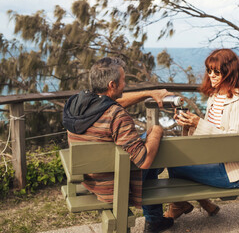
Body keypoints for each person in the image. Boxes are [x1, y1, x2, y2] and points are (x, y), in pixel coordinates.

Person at [62, 57, 174, 233]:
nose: (126, 84)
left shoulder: (76, 103)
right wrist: (157, 130)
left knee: (144, 146)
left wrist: (148, 93)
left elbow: (109, 104)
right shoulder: (117, 116)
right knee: (151, 149)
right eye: (124, 80)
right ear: (112, 84)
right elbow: (143, 161)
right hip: (114, 186)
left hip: (90, 179)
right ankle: (154, 220)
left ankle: (156, 220)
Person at [164, 48, 239, 220]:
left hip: (235, 172)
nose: (211, 75)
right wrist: (189, 124)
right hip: (215, 160)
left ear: (229, 73)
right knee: (177, 157)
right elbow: (206, 138)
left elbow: (235, 142)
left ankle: (179, 205)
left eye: (217, 71)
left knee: (174, 163)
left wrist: (198, 123)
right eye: (209, 70)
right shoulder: (214, 97)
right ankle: (202, 204)